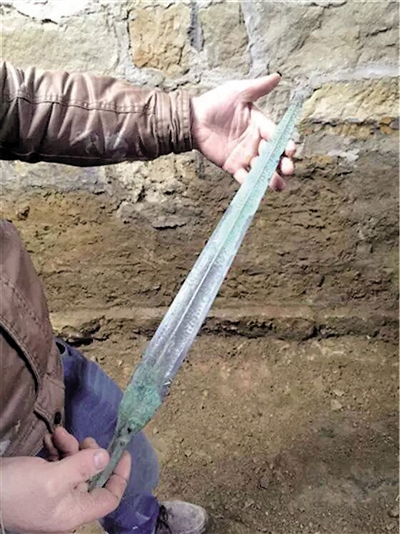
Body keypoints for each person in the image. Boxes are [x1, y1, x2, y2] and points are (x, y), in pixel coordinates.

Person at [0, 61, 296, 534]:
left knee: (132, 468)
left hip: (41, 365)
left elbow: (20, 102)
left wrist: (185, 119)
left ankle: (143, 523)